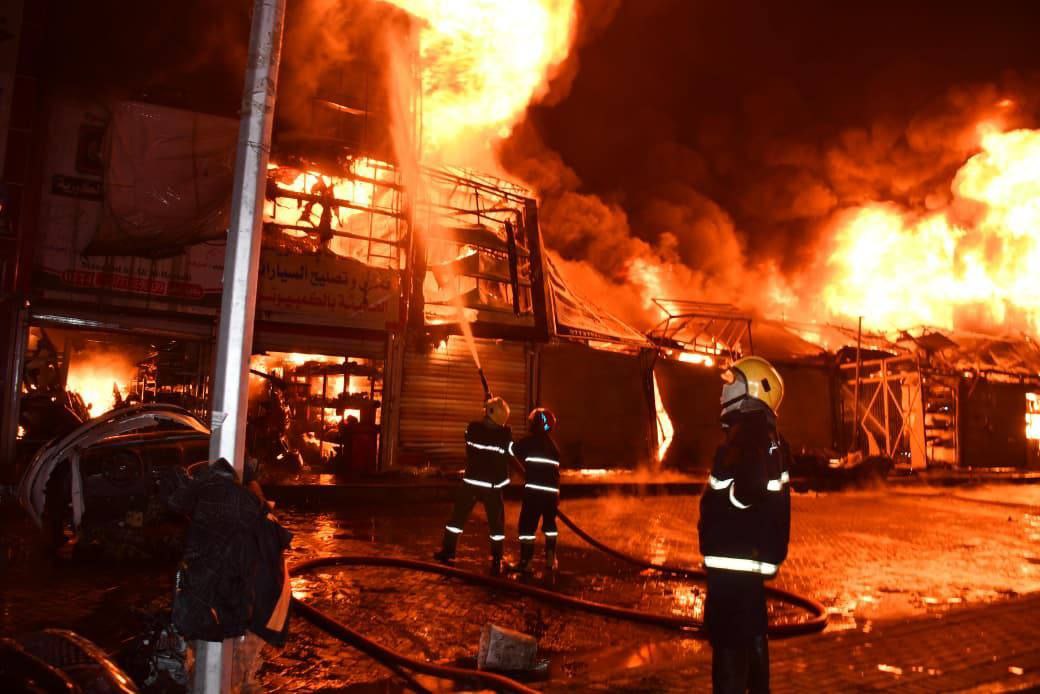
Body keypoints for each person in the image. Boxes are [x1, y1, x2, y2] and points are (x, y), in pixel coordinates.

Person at [698, 356, 791, 694]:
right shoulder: (764, 435)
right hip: (745, 564)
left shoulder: (747, 436)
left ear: (754, 390)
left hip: (733, 566)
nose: (723, 391)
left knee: (729, 643)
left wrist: (731, 504)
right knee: (751, 633)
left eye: (731, 383)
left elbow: (750, 487)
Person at [433, 396, 513, 575]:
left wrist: (489, 407)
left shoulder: (473, 429)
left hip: (471, 482)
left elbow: (472, 431)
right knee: (496, 524)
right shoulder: (504, 435)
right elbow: (506, 440)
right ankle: (497, 556)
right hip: (492, 486)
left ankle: (448, 551)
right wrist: (494, 412)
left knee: (457, 519)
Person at [509, 407, 561, 574]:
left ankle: (526, 562)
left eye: (531, 422)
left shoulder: (529, 442)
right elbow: (556, 474)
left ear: (536, 424)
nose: (529, 424)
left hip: (534, 493)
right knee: (550, 526)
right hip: (551, 494)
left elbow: (510, 450)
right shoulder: (554, 447)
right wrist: (556, 496)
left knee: (526, 527)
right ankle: (551, 559)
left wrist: (504, 434)